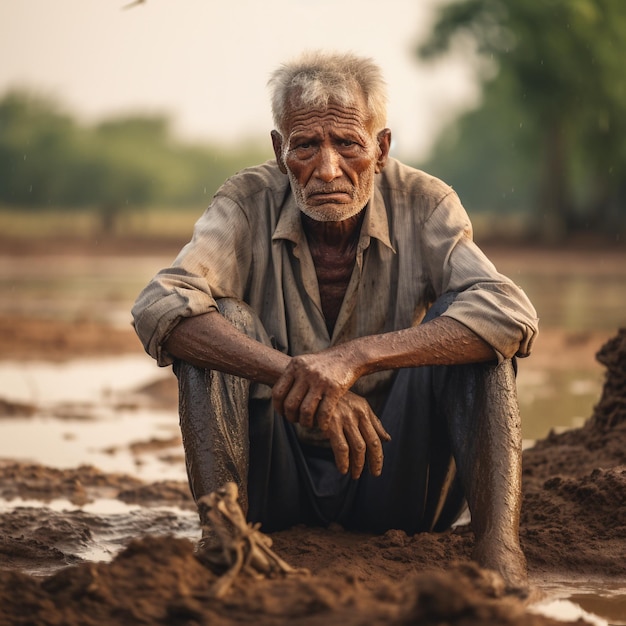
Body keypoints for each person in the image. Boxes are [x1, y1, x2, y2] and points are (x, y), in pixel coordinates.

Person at [132, 51, 538, 591]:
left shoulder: (425, 202)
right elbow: (159, 304)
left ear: (381, 148)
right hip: (272, 487)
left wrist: (354, 357)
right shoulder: (246, 201)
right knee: (217, 320)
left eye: (347, 144)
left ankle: (498, 553)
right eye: (305, 146)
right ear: (280, 152)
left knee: (474, 334)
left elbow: (510, 312)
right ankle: (223, 540)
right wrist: (292, 373)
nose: (327, 169)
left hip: (395, 477)